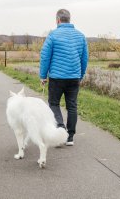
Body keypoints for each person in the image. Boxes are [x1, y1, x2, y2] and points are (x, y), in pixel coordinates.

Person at [40, 9, 88, 146]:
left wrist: (43, 76)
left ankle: (60, 129)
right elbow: (84, 59)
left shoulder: (53, 35)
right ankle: (70, 137)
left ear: (58, 20)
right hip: (74, 77)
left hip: (57, 78)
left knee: (54, 104)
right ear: (69, 19)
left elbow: (45, 57)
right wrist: (81, 75)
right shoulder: (80, 36)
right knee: (72, 106)